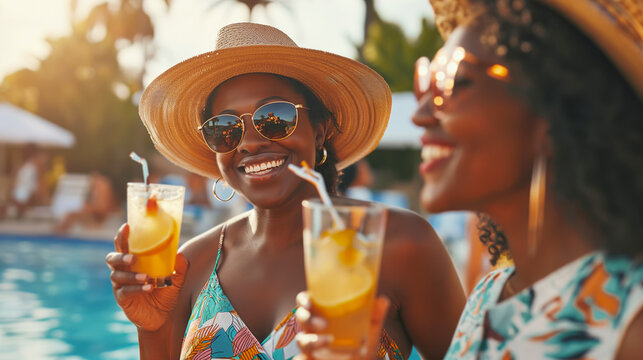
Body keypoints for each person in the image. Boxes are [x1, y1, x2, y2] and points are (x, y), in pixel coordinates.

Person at [296, 0, 643, 359]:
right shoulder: (488, 297)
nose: (421, 113)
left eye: (453, 81)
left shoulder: (631, 322)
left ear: (557, 106)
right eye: (427, 82)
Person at [105, 22, 465, 360]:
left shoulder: (399, 245)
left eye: (274, 117)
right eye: (224, 128)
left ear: (319, 130)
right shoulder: (191, 266)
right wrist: (150, 326)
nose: (248, 142)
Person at [9, 144, 50, 217]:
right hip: (26, 198)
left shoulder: (24, 167)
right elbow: (40, 189)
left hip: (19, 197)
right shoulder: (34, 168)